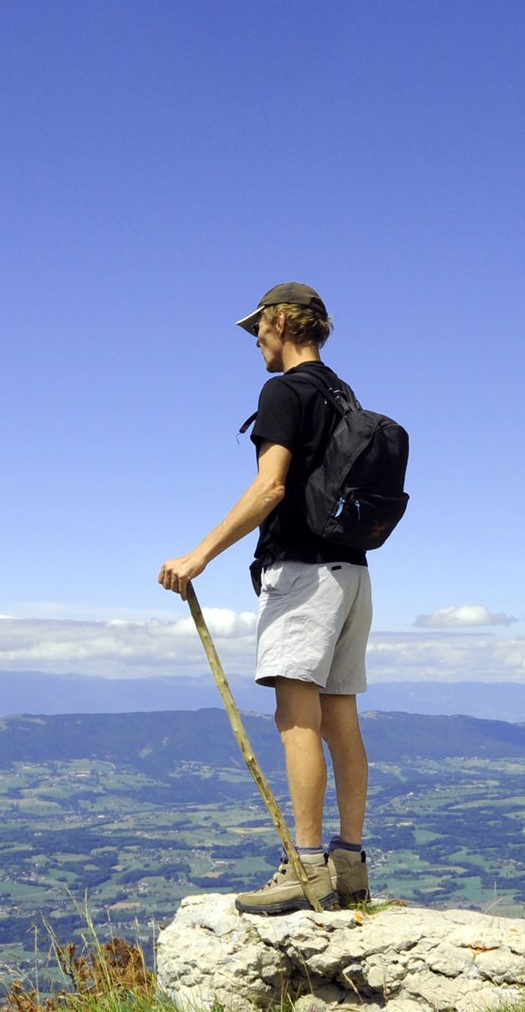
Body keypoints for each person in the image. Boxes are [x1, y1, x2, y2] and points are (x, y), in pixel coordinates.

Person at [158, 282, 373, 914]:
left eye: (259, 327)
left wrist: (199, 554)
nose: (255, 340)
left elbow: (270, 487)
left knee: (296, 717)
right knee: (342, 718)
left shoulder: (284, 391)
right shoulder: (341, 393)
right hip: (353, 573)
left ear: (283, 322)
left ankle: (304, 867)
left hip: (303, 574)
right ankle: (350, 865)